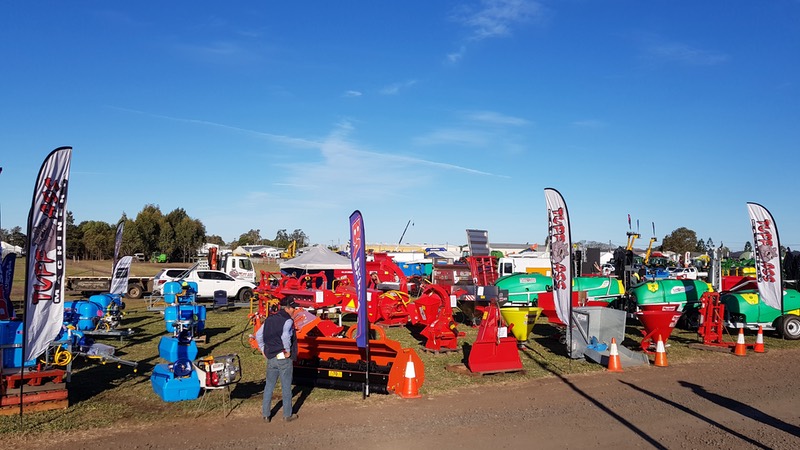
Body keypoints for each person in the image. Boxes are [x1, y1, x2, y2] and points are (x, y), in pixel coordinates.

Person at [257, 298, 299, 422]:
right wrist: (287, 351)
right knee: (286, 386)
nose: (294, 310)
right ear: (287, 308)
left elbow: (259, 335)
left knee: (269, 385)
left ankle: (266, 414)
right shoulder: (288, 321)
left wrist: (263, 349)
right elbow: (285, 336)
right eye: (293, 308)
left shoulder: (269, 319)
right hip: (283, 357)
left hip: (271, 357)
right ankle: (287, 415)